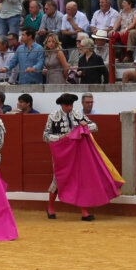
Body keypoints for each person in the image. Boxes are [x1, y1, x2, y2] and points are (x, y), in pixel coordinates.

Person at [43, 92, 99, 221]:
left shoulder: (78, 114)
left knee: (79, 179)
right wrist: (60, 137)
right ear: (62, 105)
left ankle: (84, 212)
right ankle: (50, 207)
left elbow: (95, 126)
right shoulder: (53, 116)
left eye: (71, 105)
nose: (70, 108)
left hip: (76, 152)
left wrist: (84, 126)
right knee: (58, 179)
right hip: (61, 153)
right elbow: (45, 136)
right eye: (67, 105)